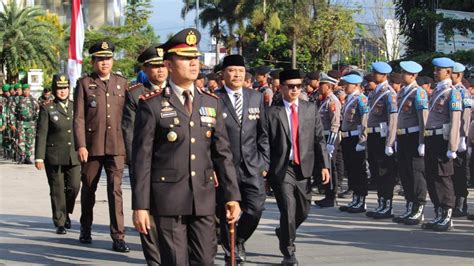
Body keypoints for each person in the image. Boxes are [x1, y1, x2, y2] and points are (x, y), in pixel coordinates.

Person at [131, 28, 241, 266]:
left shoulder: (211, 102)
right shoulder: (152, 105)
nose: (194, 63)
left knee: (204, 260)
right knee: (175, 262)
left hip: (203, 199)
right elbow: (142, 160)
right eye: (186, 58)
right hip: (168, 200)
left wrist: (232, 196)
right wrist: (140, 206)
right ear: (169, 64)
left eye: (196, 58)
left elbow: (223, 154)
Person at [266, 69, 330, 265]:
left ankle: (284, 231)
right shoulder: (271, 112)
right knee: (288, 209)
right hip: (283, 168)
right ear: (281, 87)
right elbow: (266, 142)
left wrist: (325, 165)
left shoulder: (310, 108)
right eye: (290, 86)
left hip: (304, 167)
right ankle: (289, 251)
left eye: (298, 86)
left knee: (302, 211)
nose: (295, 90)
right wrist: (265, 170)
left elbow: (319, 139)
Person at [73, 41, 130, 252]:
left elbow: (128, 117)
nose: (104, 63)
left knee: (116, 191)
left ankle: (118, 236)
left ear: (112, 60)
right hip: (92, 146)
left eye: (108, 58)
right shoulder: (84, 83)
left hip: (116, 146)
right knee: (89, 189)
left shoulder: (122, 83)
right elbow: (78, 118)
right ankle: (85, 228)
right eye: (100, 59)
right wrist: (80, 145)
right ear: (93, 61)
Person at [214, 54, 269, 263]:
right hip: (224, 168)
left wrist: (264, 162)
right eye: (232, 70)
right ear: (223, 74)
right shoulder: (214, 98)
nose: (236, 74)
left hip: (252, 166)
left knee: (255, 208)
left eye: (240, 71)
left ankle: (238, 239)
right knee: (225, 212)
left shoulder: (255, 97)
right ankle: (231, 253)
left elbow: (263, 133)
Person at [122, 44, 168, 265]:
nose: (160, 70)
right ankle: (154, 260)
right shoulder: (135, 94)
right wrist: (136, 163)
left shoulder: (178, 90)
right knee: (146, 214)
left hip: (173, 164)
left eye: (163, 66)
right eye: (154, 66)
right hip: (146, 165)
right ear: (145, 68)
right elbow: (129, 131)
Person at [34, 74, 81, 235]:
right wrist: (39, 157)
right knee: (57, 189)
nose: (63, 91)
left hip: (73, 154)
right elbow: (41, 133)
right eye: (60, 88)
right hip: (53, 155)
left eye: (65, 88)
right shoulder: (47, 108)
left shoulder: (76, 107)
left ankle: (66, 210)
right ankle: (60, 221)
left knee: (74, 186)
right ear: (55, 90)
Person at [421, 57, 462, 232]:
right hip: (431, 138)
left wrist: (453, 146)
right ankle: (438, 213)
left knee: (443, 177)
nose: (435, 72)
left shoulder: (453, 93)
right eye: (435, 69)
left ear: (448, 72)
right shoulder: (436, 91)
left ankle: (447, 215)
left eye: (439, 70)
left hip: (442, 140)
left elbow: (456, 121)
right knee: (431, 176)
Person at [392, 61, 429, 225]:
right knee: (405, 172)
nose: (401, 75)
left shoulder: (419, 93)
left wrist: (423, 141)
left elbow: (423, 119)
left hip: (414, 137)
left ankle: (418, 207)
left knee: (416, 173)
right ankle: (409, 205)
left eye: (404, 73)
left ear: (413, 76)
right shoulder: (402, 92)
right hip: (402, 137)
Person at [365, 62, 398, 219]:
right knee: (376, 171)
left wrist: (390, 142)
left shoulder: (388, 93)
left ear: (384, 76)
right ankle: (381, 203)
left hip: (382, 137)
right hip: (372, 135)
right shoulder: (374, 93)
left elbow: (392, 119)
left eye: (376, 73)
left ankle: (387, 205)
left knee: (385, 171)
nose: (373, 75)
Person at [337, 74, 369, 213]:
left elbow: (364, 120)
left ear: (356, 85)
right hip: (347, 138)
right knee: (350, 169)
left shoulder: (361, 99)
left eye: (348, 84)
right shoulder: (350, 99)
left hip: (356, 138)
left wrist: (363, 139)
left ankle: (361, 200)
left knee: (358, 170)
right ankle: (355, 199)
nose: (345, 86)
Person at [314, 73, 341, 208]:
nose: (319, 87)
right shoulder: (324, 100)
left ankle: (331, 196)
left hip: (329, 137)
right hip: (322, 137)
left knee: (330, 167)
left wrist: (331, 143)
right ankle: (327, 195)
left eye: (322, 85)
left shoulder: (332, 101)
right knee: (324, 166)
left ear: (329, 86)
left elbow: (335, 124)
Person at [450, 62, 471, 217]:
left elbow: (465, 116)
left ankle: (461, 203)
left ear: (458, 75)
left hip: (459, 137)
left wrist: (463, 136)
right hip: (449, 136)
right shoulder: (449, 90)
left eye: (451, 73)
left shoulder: (463, 92)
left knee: (459, 171)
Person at [9, 83, 39, 164]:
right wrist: (12, 124)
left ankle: (28, 157)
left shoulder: (33, 100)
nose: (26, 92)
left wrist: (37, 123)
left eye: (28, 90)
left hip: (31, 123)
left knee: (30, 141)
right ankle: (22, 156)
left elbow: (38, 111)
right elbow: (12, 112)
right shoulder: (17, 99)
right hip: (21, 122)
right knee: (21, 140)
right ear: (22, 90)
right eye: (25, 90)